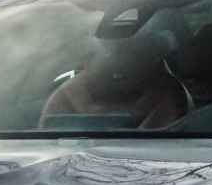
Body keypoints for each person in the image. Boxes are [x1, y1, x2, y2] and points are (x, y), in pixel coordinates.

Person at [39, 12, 188, 129]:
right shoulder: (65, 96)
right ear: (86, 58)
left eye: (126, 50)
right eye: (107, 50)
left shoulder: (168, 96)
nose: (114, 56)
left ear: (150, 54)